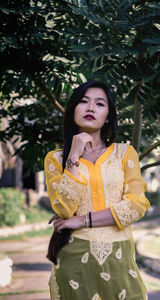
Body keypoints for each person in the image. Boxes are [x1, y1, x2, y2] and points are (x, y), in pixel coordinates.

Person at [44, 80, 150, 300]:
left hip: (119, 258)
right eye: (84, 101)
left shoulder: (124, 154)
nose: (91, 107)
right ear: (73, 109)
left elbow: (136, 206)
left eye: (100, 104)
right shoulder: (55, 159)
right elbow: (63, 209)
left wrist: (82, 220)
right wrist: (73, 156)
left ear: (108, 116)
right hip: (74, 258)